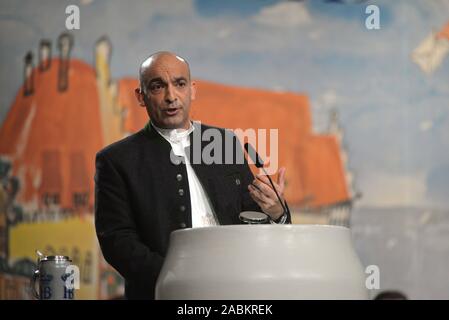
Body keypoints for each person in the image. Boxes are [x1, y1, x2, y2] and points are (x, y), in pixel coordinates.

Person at [94, 51, 291, 299]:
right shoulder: (116, 160)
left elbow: (254, 221)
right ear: (141, 96)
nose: (171, 96)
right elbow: (118, 242)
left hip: (234, 292)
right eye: (157, 86)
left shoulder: (224, 143)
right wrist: (177, 278)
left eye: (179, 84)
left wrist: (276, 211)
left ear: (192, 90)